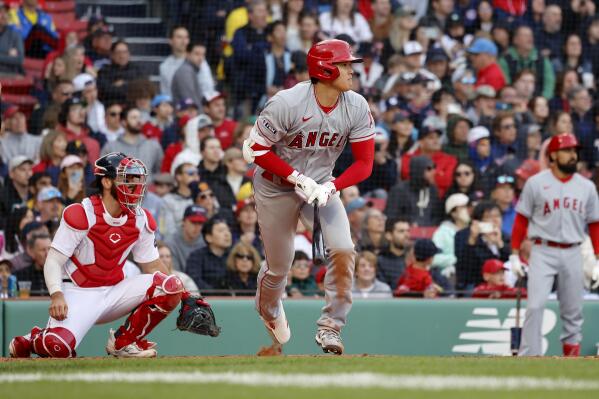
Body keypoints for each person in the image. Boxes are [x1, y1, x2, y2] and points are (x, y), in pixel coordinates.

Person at [243, 39, 374, 355]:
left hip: (320, 186)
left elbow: (365, 163)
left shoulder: (356, 105)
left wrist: (332, 186)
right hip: (276, 187)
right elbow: (254, 149)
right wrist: (295, 177)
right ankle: (269, 311)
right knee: (279, 266)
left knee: (343, 249)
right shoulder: (287, 102)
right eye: (344, 65)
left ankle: (331, 328)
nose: (351, 70)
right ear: (325, 69)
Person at [9, 152, 200, 358]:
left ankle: (124, 343)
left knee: (171, 286)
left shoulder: (140, 218)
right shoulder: (81, 213)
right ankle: (31, 339)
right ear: (107, 182)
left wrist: (185, 295)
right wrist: (57, 294)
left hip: (115, 291)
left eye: (137, 178)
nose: (135, 184)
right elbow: (54, 260)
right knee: (58, 348)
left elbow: (153, 266)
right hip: (78, 291)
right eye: (127, 179)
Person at [511, 133, 599, 357]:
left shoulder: (586, 187)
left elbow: (595, 225)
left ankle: (571, 358)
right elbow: (521, 220)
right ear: (553, 155)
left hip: (573, 251)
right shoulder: (536, 183)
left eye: (574, 151)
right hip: (543, 250)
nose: (573, 155)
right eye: (567, 150)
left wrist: (598, 258)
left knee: (573, 311)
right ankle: (530, 356)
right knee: (535, 306)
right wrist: (514, 254)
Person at [454, 200, 511, 294]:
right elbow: (464, 265)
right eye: (489, 217)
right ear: (478, 222)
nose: (495, 220)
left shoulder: (505, 237)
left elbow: (510, 262)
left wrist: (499, 244)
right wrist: (472, 239)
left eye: (497, 216)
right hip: (474, 283)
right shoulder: (463, 235)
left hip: (502, 284)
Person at [101, 107, 164, 176]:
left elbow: (160, 174)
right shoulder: (110, 148)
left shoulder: (154, 146)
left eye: (140, 117)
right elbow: (104, 176)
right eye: (134, 117)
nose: (139, 121)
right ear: (124, 122)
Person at [185, 217, 232, 290]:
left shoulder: (235, 255)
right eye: (221, 231)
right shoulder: (196, 256)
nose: (227, 234)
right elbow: (194, 280)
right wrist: (217, 294)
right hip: (206, 298)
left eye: (228, 230)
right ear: (208, 237)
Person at [432, 193, 470, 284]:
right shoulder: (442, 232)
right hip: (448, 276)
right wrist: (456, 260)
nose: (468, 210)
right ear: (453, 212)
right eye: (463, 207)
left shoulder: (474, 229)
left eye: (468, 207)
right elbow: (433, 258)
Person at [164, 204, 206, 272]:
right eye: (193, 222)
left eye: (200, 223)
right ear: (183, 221)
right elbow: (174, 272)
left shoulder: (206, 241)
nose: (197, 227)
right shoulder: (171, 242)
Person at [171, 42, 209, 108]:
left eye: (203, 55)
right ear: (187, 54)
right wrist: (203, 117)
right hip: (187, 116)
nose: (201, 58)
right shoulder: (185, 72)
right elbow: (191, 102)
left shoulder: (191, 70)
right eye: (197, 54)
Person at [377, 218, 410, 289]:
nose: (407, 235)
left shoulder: (415, 258)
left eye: (408, 231)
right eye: (401, 231)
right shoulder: (380, 261)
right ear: (389, 235)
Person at [159, 26, 190, 97]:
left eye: (186, 37)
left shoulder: (198, 62)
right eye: (179, 37)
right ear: (170, 41)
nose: (183, 41)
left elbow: (206, 88)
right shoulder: (164, 66)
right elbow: (165, 93)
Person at [0, 2, 24, 75]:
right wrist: (7, 53)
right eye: (1, 12)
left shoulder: (15, 35)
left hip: (10, 74)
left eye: (6, 12)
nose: (4, 16)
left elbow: (19, 59)